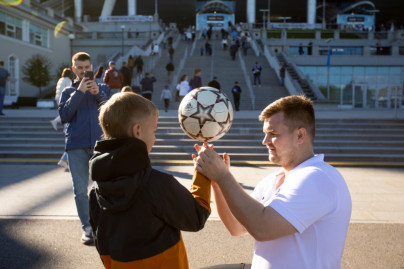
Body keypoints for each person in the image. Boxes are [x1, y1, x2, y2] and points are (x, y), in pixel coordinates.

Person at [193, 95, 352, 269]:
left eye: (273, 134)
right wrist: (217, 184)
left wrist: (224, 176)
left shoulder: (318, 177)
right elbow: (237, 227)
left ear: (300, 135)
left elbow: (262, 228)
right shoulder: (272, 180)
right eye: (265, 134)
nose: (265, 141)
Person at [89, 92, 211, 268]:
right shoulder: (158, 184)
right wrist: (203, 173)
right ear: (138, 130)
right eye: (154, 130)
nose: (154, 138)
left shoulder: (96, 192)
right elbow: (196, 217)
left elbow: (102, 246)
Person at [59, 52, 112, 245]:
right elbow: (64, 115)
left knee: (106, 187)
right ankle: (87, 228)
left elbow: (112, 113)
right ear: (74, 69)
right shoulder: (68, 91)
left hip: (101, 145)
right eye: (80, 68)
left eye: (87, 67)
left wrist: (98, 93)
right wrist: (79, 92)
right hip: (77, 146)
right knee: (80, 190)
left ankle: (104, 226)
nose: (84, 71)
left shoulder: (103, 87)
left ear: (92, 68)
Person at [50, 68, 73, 170]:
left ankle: (64, 160)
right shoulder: (68, 80)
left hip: (58, 99)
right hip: (65, 100)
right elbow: (71, 91)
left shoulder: (60, 79)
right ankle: (63, 160)